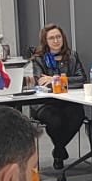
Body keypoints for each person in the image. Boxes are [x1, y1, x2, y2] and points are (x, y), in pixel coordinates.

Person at [30, 23, 87, 169]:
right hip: (45, 102)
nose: (56, 41)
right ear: (45, 41)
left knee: (78, 115)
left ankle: (58, 149)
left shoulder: (72, 56)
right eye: (51, 38)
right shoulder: (38, 59)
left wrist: (55, 79)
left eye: (58, 37)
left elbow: (82, 79)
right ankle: (60, 151)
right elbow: (41, 82)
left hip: (68, 100)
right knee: (55, 120)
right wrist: (61, 81)